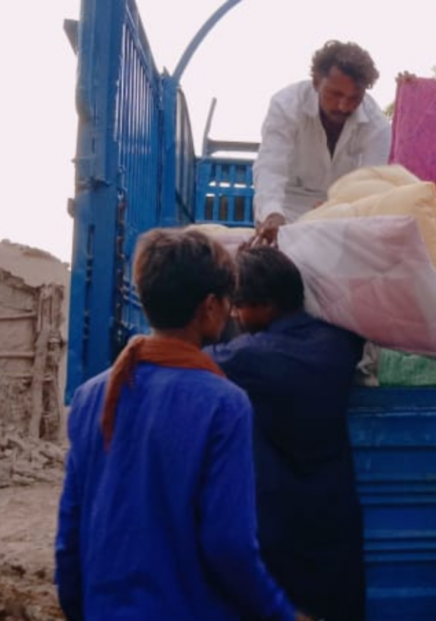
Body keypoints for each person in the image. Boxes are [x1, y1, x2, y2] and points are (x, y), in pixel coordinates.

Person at [54, 229, 310, 621]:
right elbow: (229, 546)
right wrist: (280, 613)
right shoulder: (224, 403)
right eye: (227, 301)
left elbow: (70, 535)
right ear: (209, 307)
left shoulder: (92, 396)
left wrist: (81, 608)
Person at [206, 246, 366, 621]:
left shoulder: (247, 357)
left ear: (266, 305)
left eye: (240, 306)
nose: (236, 315)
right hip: (335, 513)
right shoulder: (341, 342)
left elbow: (192, 356)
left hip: (278, 520)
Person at [253, 40, 391, 244]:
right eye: (335, 94)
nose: (343, 106)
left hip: (343, 212)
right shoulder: (286, 105)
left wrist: (338, 210)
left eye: (354, 98)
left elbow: (371, 186)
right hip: (286, 205)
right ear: (316, 81)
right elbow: (270, 167)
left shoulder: (377, 125)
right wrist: (271, 213)